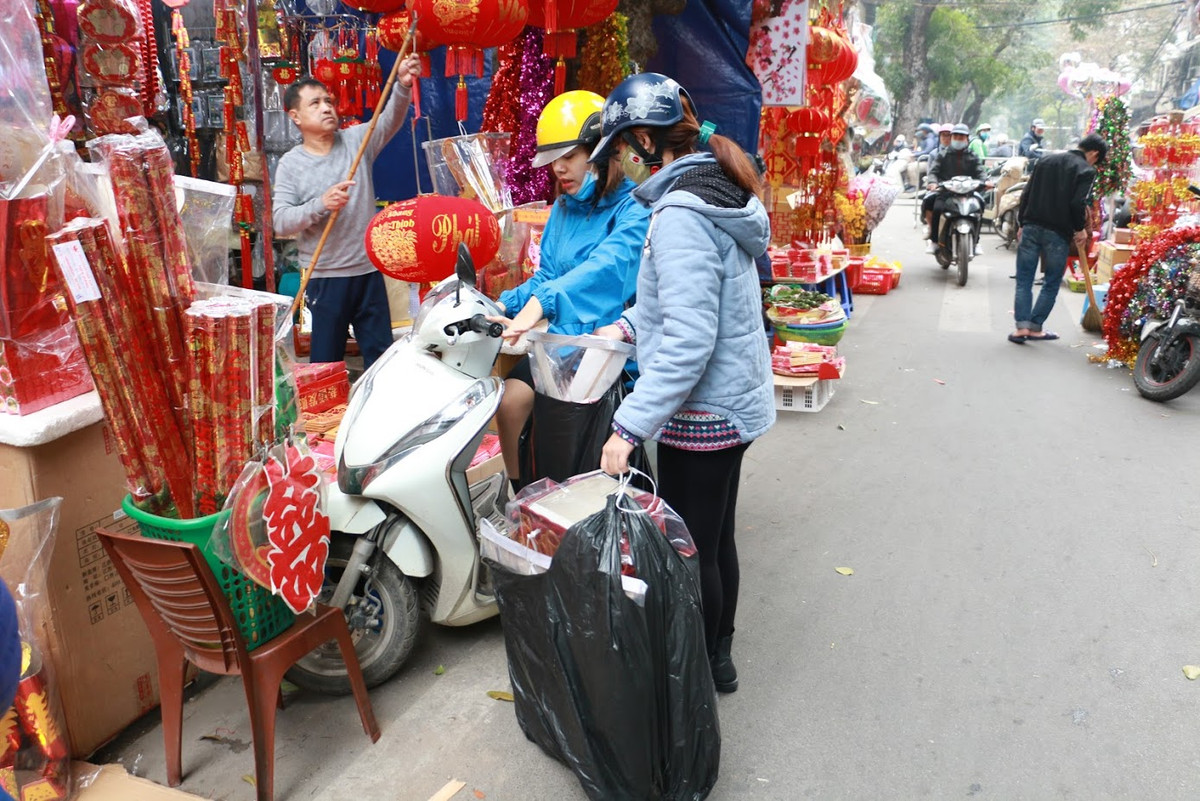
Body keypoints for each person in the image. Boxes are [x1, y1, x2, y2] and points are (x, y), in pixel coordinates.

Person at [589, 73, 775, 694]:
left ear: (644, 140)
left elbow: (691, 339)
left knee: (691, 550)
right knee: (715, 535)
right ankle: (718, 661)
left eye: (619, 151)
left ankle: (693, 678)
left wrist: (628, 426)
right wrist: (628, 325)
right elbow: (687, 305)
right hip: (734, 402)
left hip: (705, 411)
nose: (620, 165)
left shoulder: (678, 215)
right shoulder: (714, 192)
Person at [490, 90, 651, 484]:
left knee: (570, 440)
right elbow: (549, 274)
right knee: (509, 401)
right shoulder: (563, 208)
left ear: (602, 150)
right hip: (561, 348)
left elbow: (604, 272)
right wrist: (502, 304)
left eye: (569, 157)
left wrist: (542, 303)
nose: (559, 169)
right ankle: (519, 495)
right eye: (553, 161)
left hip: (610, 352)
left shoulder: (634, 210)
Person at [272, 55, 421, 369]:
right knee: (326, 362)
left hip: (367, 271)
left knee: (381, 358)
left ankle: (378, 415)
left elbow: (389, 119)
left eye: (328, 100)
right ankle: (329, 419)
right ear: (295, 116)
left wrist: (403, 85)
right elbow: (281, 221)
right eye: (315, 104)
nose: (327, 107)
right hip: (325, 277)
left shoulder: (356, 141)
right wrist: (320, 205)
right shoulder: (291, 164)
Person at [1009, 133, 1105, 343]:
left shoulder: (1046, 160)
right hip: (1057, 233)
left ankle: (1021, 328)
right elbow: (1077, 203)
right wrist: (1080, 229)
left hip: (1032, 226)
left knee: (1024, 280)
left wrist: (1022, 223)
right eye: (1097, 160)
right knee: (1051, 282)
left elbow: (1026, 193)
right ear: (1094, 154)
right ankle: (1035, 328)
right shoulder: (1086, 170)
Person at [924, 123, 985, 254]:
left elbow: (980, 171)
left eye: (961, 137)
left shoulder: (973, 156)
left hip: (969, 192)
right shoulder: (942, 155)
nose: (958, 139)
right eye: (956, 136)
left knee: (981, 204)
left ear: (967, 139)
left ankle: (976, 242)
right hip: (947, 192)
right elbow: (933, 172)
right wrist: (933, 183)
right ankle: (934, 241)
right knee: (937, 208)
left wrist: (985, 182)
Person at [904, 123, 938, 192]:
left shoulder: (930, 139)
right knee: (908, 165)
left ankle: (914, 186)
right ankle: (911, 184)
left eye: (920, 130)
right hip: (923, 160)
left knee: (912, 167)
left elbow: (928, 151)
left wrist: (915, 155)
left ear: (925, 131)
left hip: (927, 162)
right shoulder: (925, 139)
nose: (918, 132)